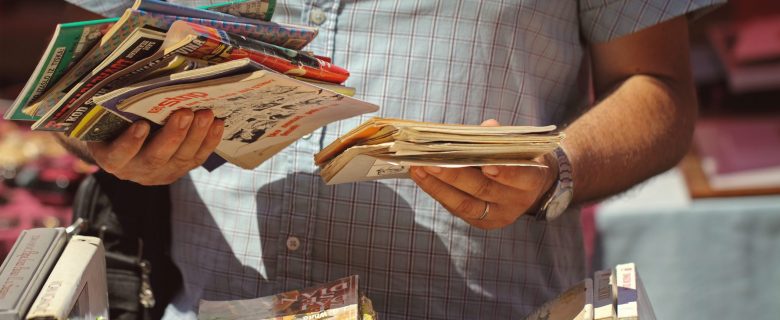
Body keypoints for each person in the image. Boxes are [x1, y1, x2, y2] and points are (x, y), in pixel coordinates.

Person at [60, 0, 724, 318]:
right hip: (206, 304)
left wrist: (558, 163)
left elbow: (659, 90)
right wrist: (111, 140)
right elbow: (83, 78)